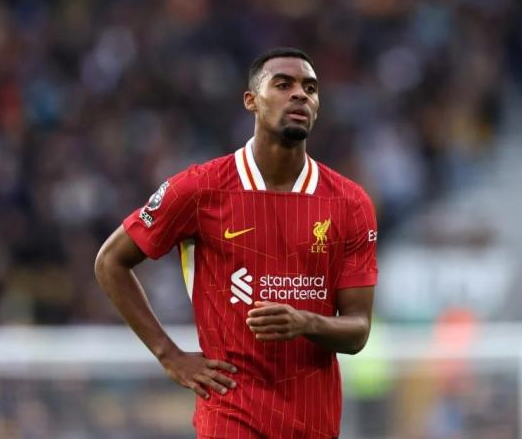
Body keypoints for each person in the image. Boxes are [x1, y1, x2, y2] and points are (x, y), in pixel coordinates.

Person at [94, 47, 378, 439]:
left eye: (310, 88)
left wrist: (304, 321)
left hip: (314, 418)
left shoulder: (350, 203)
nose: (300, 94)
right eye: (283, 85)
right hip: (231, 413)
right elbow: (110, 261)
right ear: (251, 101)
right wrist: (169, 355)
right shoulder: (200, 189)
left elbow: (358, 330)